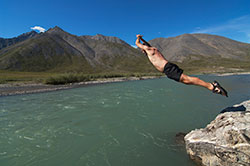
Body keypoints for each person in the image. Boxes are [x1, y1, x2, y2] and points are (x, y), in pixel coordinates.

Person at [135, 34, 228, 97]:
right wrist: (143, 39)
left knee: (187, 79)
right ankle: (212, 86)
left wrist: (138, 38)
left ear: (145, 48)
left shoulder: (148, 49)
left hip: (167, 68)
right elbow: (146, 44)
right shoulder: (151, 49)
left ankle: (213, 86)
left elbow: (137, 43)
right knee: (186, 81)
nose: (142, 51)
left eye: (142, 49)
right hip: (167, 69)